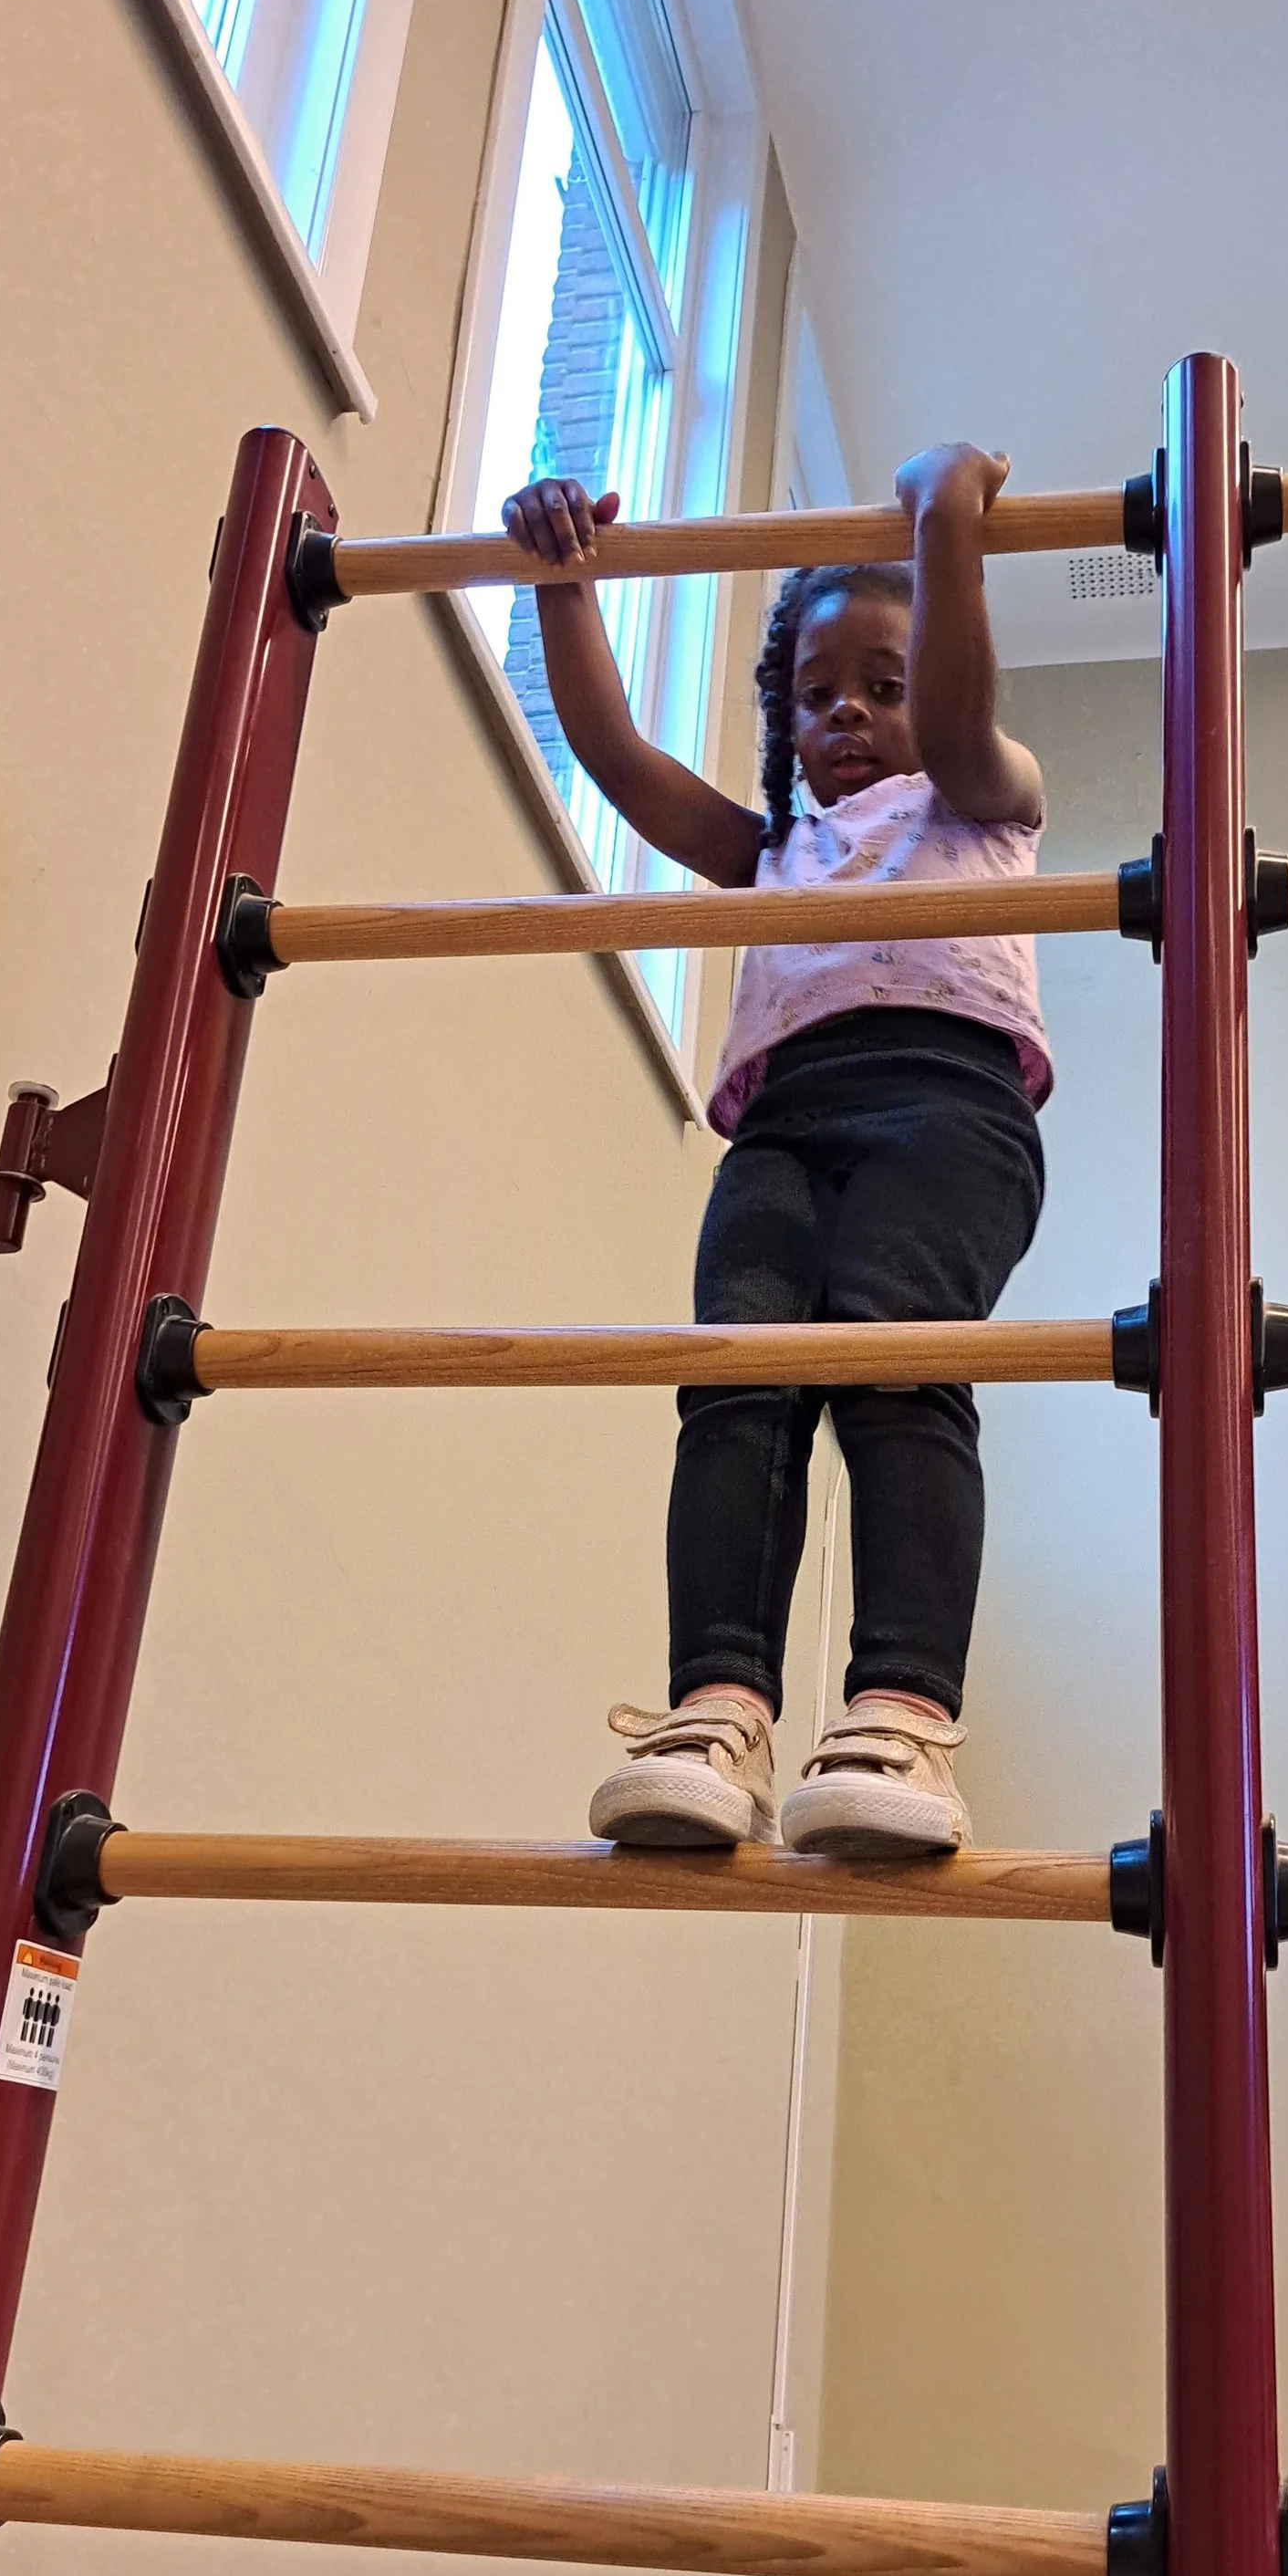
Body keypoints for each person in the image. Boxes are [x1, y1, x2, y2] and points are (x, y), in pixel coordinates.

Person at [503, 443, 1051, 1858]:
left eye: (883, 683)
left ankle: (900, 1719)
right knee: (736, 1382)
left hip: (947, 1108)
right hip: (786, 1123)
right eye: (816, 695)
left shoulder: (984, 797)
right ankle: (719, 1713)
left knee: (892, 1352)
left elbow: (956, 714)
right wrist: (563, 585)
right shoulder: (771, 857)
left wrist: (944, 518)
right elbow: (620, 763)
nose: (849, 712)